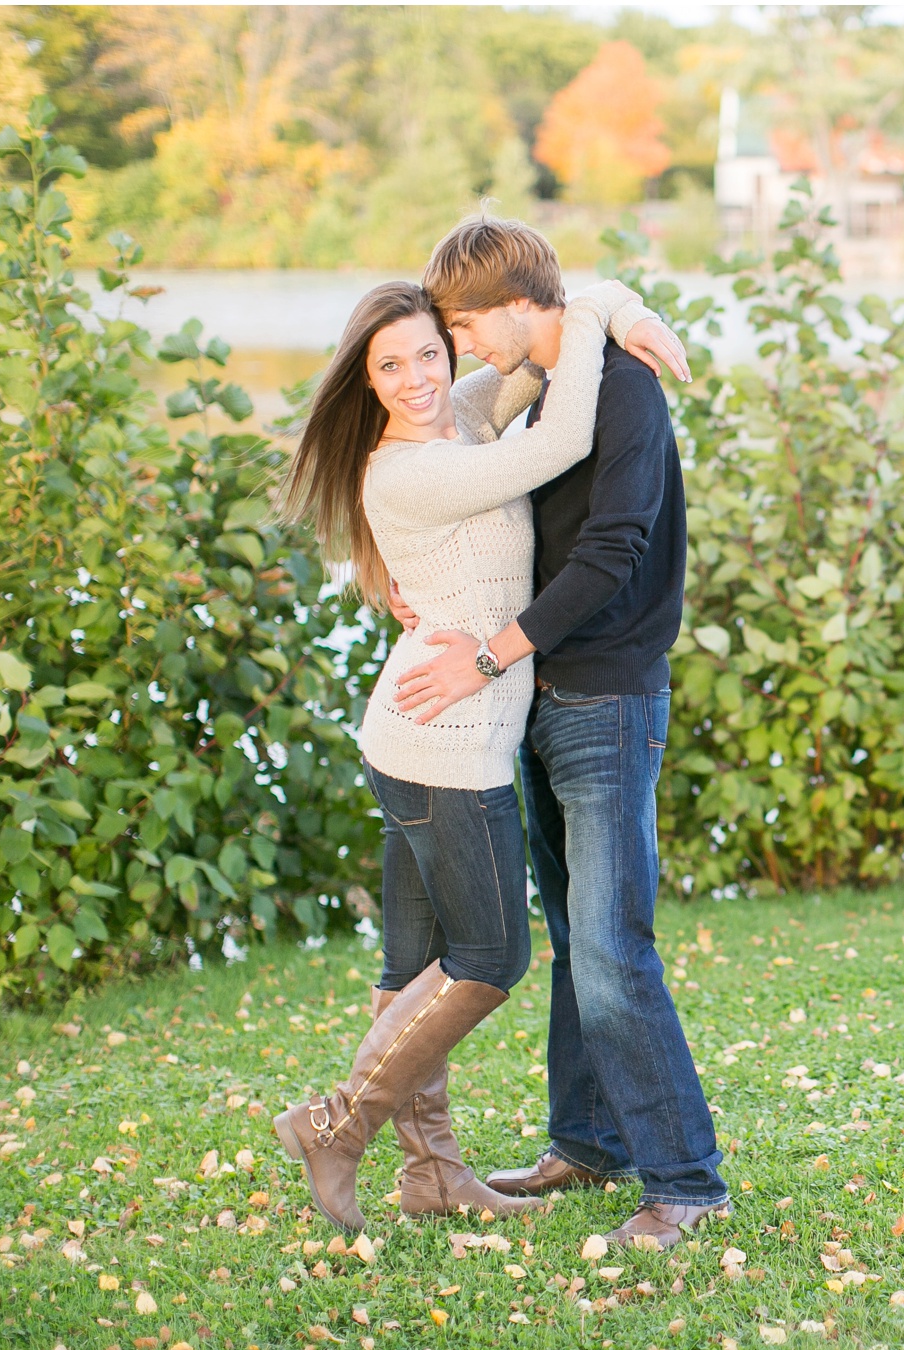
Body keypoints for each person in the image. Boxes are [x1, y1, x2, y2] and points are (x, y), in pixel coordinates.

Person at [271, 264, 688, 1232]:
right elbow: (566, 432)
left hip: (429, 734)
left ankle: (431, 1175)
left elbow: (527, 312)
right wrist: (596, 312)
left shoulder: (458, 409)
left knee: (410, 962)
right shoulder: (414, 465)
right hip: (441, 743)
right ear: (362, 381)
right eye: (391, 365)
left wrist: (611, 301)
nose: (417, 375)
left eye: (430, 349)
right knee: (489, 958)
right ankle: (339, 1126)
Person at [387, 214, 728, 1250]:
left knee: (616, 948)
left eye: (465, 325)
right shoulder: (535, 390)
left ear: (514, 304)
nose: (462, 348)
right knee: (578, 941)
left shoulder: (621, 387)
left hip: (605, 700)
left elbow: (613, 552)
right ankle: (584, 1144)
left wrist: (491, 651)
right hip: (539, 695)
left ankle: (686, 1184)